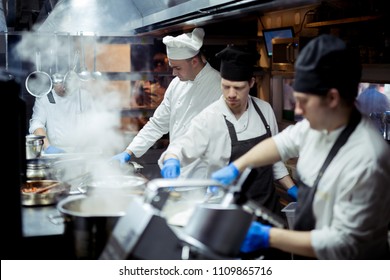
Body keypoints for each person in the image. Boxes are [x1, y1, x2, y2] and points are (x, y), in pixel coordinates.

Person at [211, 34, 390, 260]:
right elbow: (280, 144)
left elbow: (343, 243)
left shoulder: (367, 158)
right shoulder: (317, 125)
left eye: (303, 102)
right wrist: (238, 165)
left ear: (332, 98)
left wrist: (269, 237)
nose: (297, 111)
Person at [159, 45, 297, 210]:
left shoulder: (264, 110)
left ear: (251, 83)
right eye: (225, 86)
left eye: (238, 88)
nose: (231, 94)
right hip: (228, 212)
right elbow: (181, 147)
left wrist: (292, 188)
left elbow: (273, 159)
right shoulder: (209, 118)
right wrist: (171, 159)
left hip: (266, 209)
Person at [111, 28, 222, 178]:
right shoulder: (176, 84)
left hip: (202, 174)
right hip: (174, 168)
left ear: (194, 61)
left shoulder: (219, 85)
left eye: (177, 68)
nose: (173, 73)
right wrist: (129, 152)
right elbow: (157, 124)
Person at [29, 73, 95, 154]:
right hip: (55, 151)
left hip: (82, 150)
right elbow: (36, 125)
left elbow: (93, 123)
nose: (63, 87)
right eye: (59, 82)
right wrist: (48, 147)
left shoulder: (83, 95)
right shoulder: (44, 97)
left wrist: (83, 145)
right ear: (53, 82)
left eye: (66, 82)